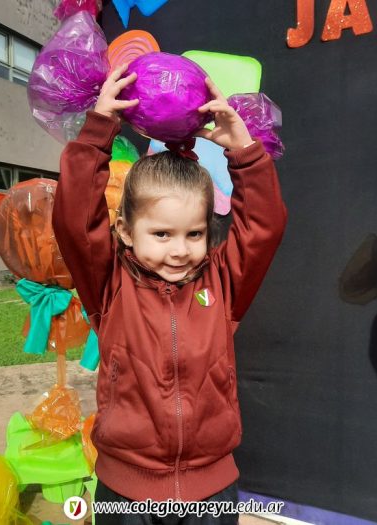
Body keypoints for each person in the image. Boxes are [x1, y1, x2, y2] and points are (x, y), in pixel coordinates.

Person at [53, 64, 287, 524]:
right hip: (126, 494)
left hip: (211, 493)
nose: (180, 250)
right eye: (161, 234)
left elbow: (264, 227)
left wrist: (244, 153)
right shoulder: (109, 284)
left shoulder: (222, 283)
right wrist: (98, 130)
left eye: (194, 233)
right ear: (125, 231)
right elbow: (74, 220)